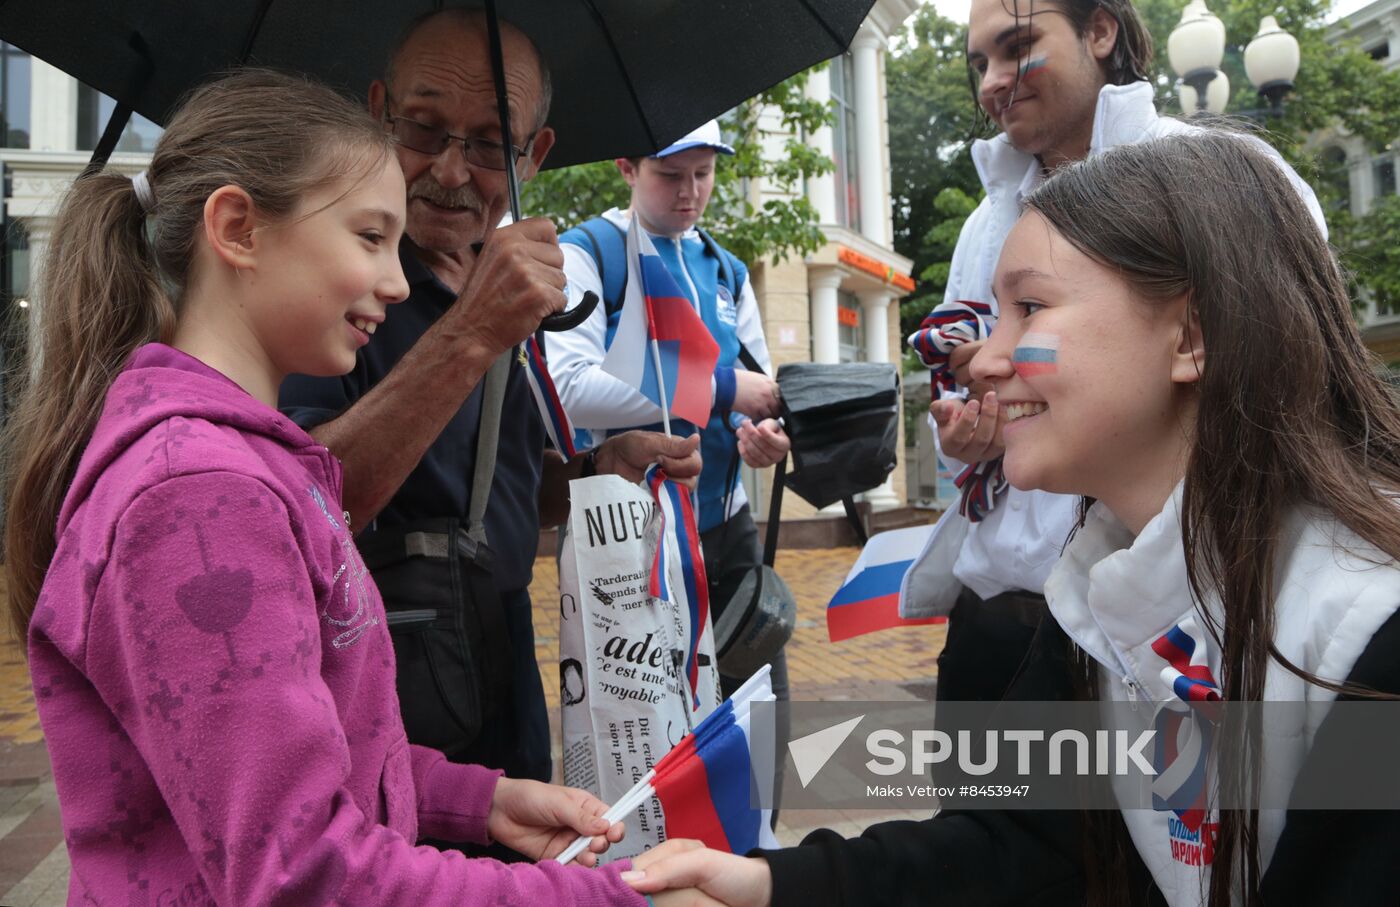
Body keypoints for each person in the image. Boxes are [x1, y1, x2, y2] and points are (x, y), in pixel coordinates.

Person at [617, 131, 1400, 907]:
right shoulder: (1102, 590)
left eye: (1030, 307)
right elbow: (1025, 845)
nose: (988, 360)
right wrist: (766, 883)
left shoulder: (1365, 640)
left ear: (1191, 334)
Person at [3, 69, 655, 904]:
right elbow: (304, 871)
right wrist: (612, 897)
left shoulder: (252, 466)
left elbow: (309, 743)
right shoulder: (198, 499)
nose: (393, 279)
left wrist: (477, 800)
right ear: (238, 228)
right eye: (369, 236)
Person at [279, 9, 701, 797]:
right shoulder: (331, 276)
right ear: (378, 114)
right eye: (424, 127)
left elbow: (500, 488)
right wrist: (473, 330)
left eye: (486, 144)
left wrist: (599, 467)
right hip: (379, 697)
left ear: (532, 155)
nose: (449, 169)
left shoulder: (504, 283)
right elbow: (302, 503)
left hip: (500, 674)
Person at [904, 0, 1326, 705]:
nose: (991, 81)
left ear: (1100, 31)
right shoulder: (985, 223)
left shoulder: (1226, 177)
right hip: (995, 622)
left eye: (1016, 47)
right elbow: (974, 417)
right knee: (989, 815)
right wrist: (967, 435)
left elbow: (1292, 382)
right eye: (980, 62)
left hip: (1173, 618)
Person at [548, 121, 792, 711]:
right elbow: (569, 387)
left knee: (757, 716)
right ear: (626, 168)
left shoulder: (726, 269)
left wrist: (756, 433)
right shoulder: (588, 252)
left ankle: (757, 811)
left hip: (725, 527)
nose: (690, 193)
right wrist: (720, 390)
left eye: (703, 175)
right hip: (627, 528)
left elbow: (753, 390)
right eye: (670, 175)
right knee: (645, 729)